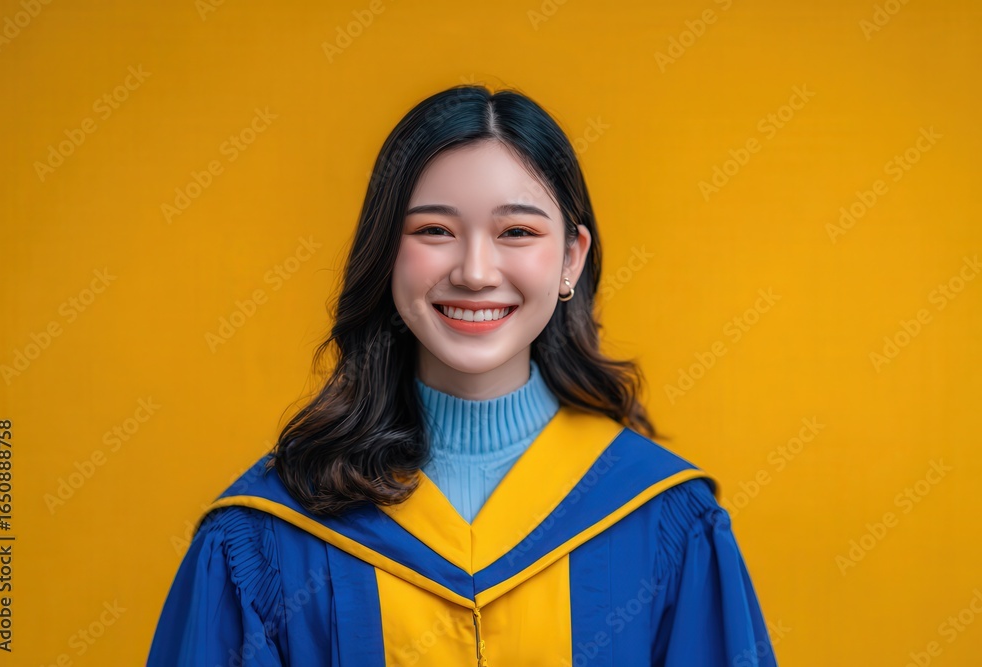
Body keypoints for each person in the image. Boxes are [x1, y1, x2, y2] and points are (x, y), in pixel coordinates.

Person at [147, 84, 778, 666]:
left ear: (570, 258)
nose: (475, 271)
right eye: (434, 230)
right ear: (387, 252)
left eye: (517, 231)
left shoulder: (665, 522)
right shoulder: (265, 536)